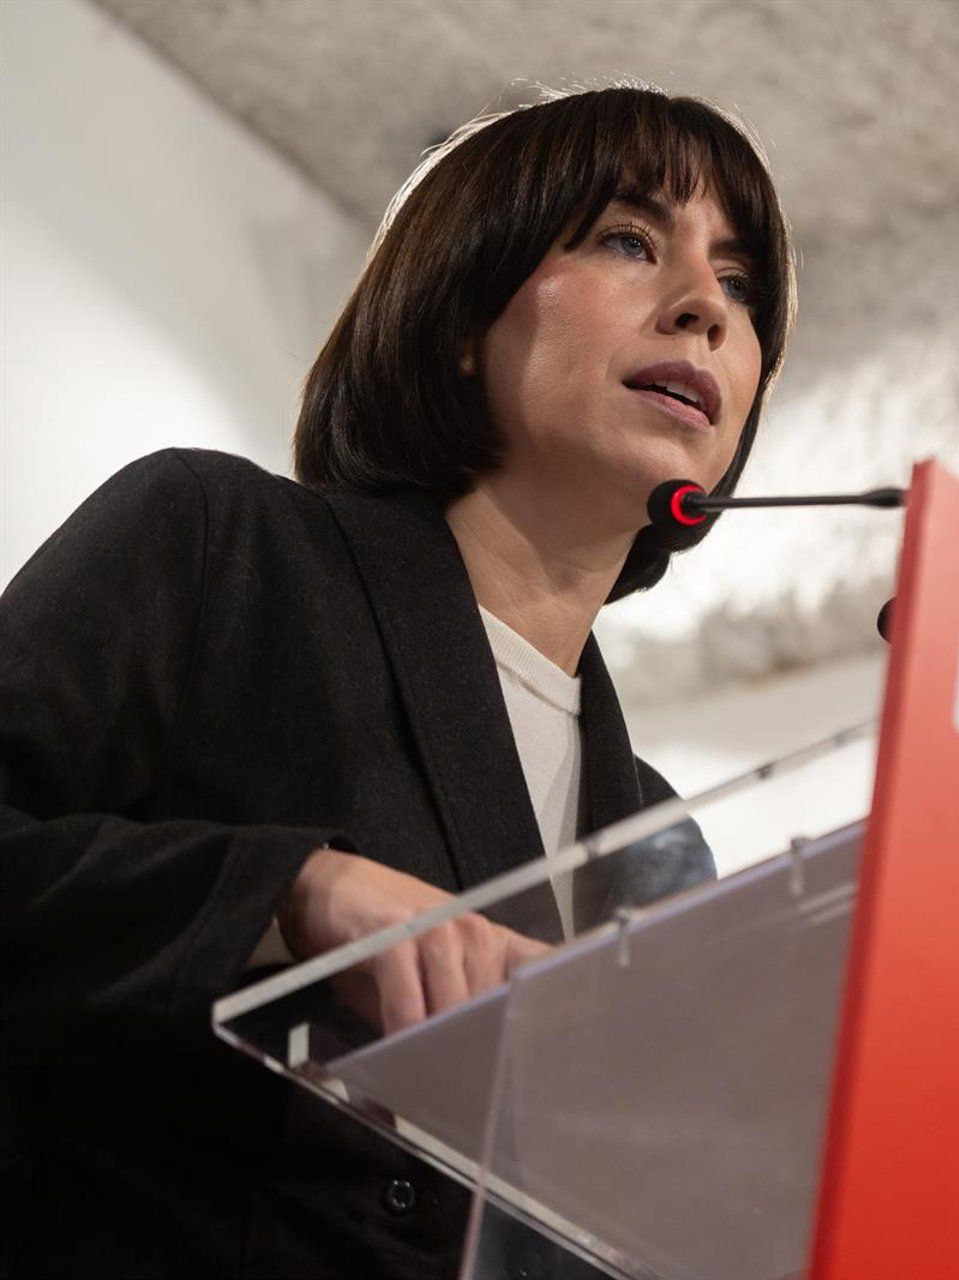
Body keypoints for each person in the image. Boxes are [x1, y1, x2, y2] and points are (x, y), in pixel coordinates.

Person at [0, 83, 795, 1277]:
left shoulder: (662, 837)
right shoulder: (224, 545)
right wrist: (290, 895)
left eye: (740, 284)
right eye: (630, 240)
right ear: (462, 312)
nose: (706, 309)